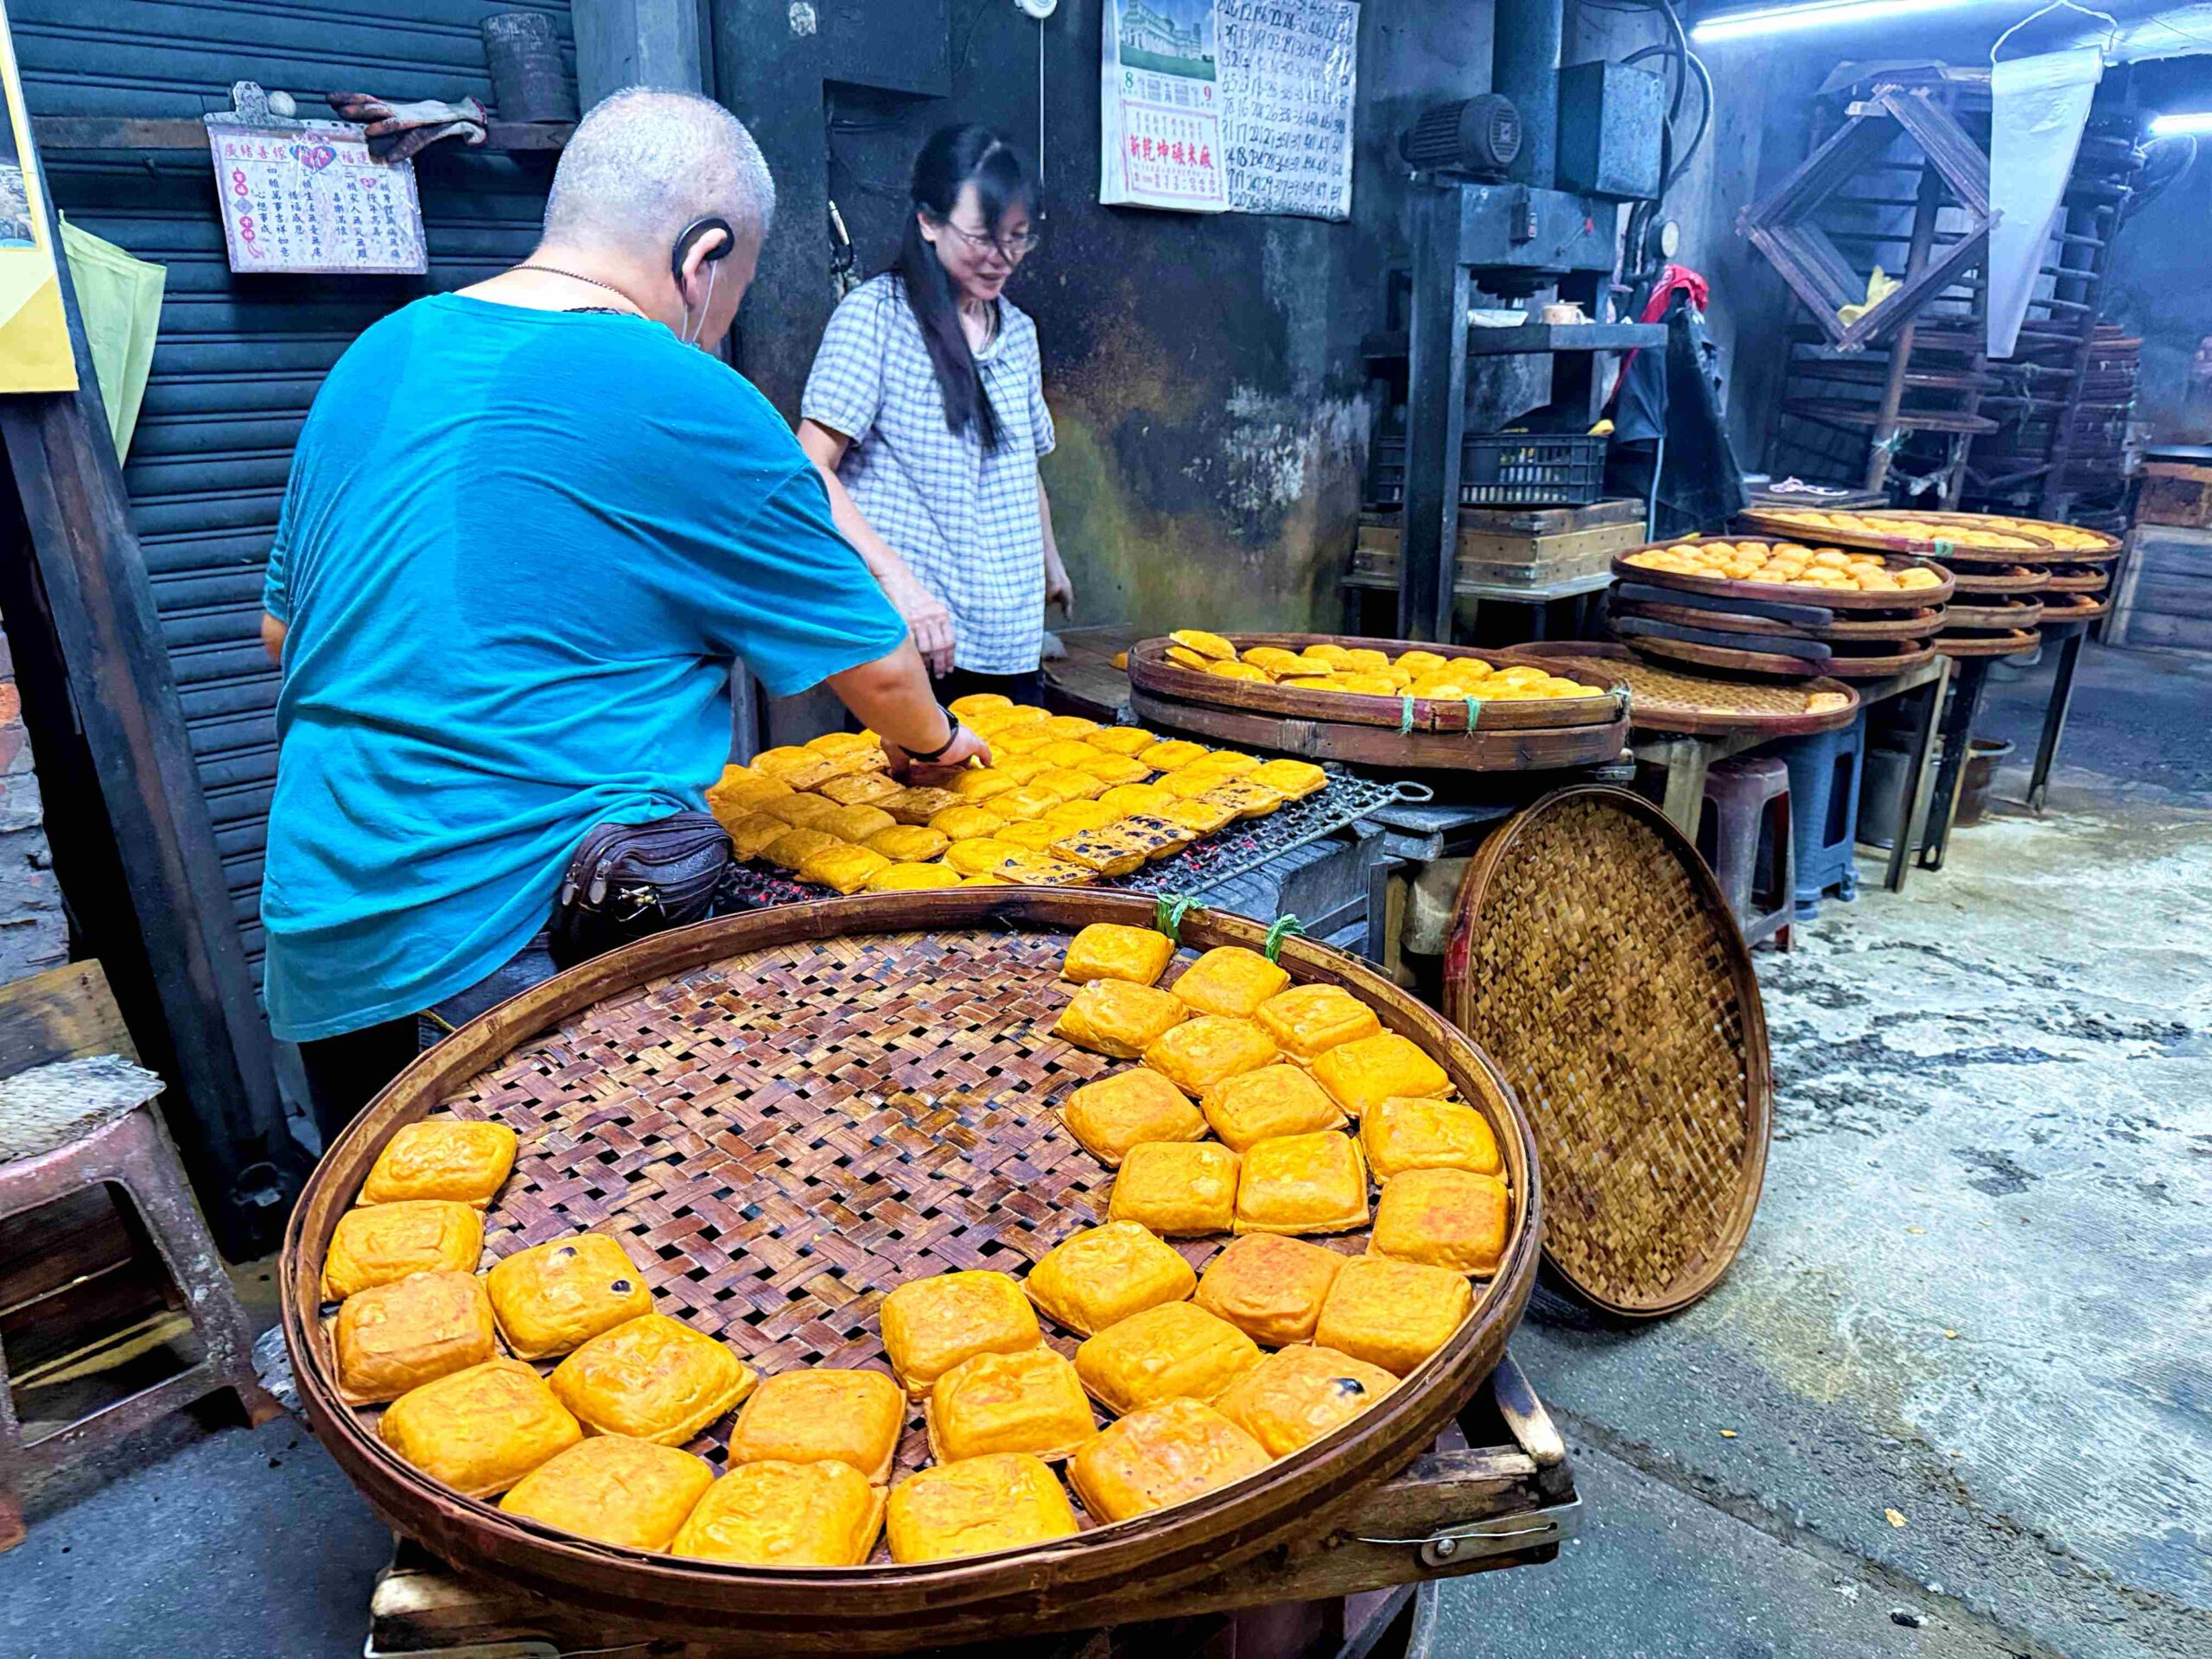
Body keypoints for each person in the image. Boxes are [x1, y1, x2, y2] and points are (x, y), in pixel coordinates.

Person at [258, 89, 985, 1146]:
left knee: (388, 1254)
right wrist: (935, 744)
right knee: (579, 1251)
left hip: (321, 918)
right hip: (506, 928)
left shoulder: (383, 351)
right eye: (731, 294)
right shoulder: (683, 390)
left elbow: (287, 635)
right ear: (703, 258)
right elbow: (874, 667)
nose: (718, 322)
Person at [798, 124, 1071, 707]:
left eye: (1018, 239)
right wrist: (896, 582)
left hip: (1012, 636)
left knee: (1023, 794)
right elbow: (810, 469)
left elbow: (1025, 467)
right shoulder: (875, 318)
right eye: (983, 237)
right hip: (921, 633)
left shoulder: (1018, 333)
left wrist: (1051, 560)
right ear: (929, 222)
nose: (1003, 259)